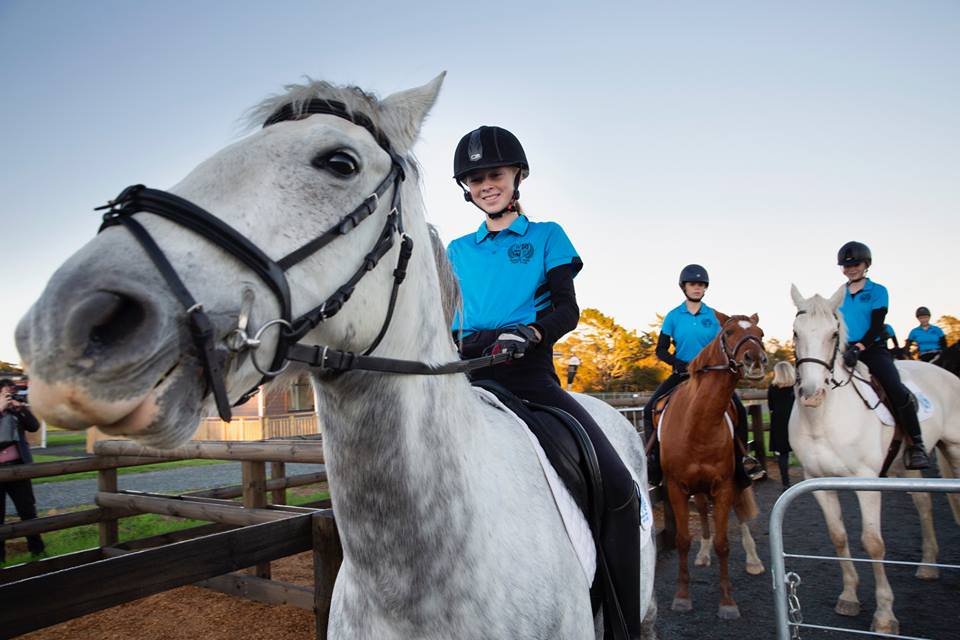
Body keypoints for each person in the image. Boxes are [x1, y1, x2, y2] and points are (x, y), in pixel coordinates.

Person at [446, 125, 642, 639]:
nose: (486, 184)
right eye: (475, 178)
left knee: (619, 489)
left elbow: (567, 308)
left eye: (494, 174)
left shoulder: (547, 236)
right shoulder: (456, 250)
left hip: (529, 374)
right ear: (466, 188)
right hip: (466, 375)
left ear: (517, 177)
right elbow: (444, 317)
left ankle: (621, 627)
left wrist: (530, 332)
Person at [642, 264, 757, 487]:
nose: (697, 288)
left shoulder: (714, 317)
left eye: (701, 285)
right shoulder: (673, 316)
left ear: (705, 289)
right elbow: (661, 350)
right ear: (683, 287)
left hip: (711, 376)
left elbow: (724, 346)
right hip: (682, 373)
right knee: (650, 409)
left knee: (739, 410)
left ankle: (741, 463)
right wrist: (678, 364)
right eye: (693, 284)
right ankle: (654, 463)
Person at [836, 241, 930, 469]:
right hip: (845, 350)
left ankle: (916, 444)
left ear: (866, 264)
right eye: (846, 266)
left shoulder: (878, 291)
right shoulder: (839, 294)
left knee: (895, 388)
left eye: (855, 264)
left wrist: (859, 348)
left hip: (872, 350)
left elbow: (878, 325)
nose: (851, 269)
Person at [0, 379, 46, 563]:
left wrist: (21, 409)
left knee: (28, 511)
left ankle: (38, 551)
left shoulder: (15, 411)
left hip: (18, 469)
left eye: (11, 393)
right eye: (6, 393)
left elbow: (34, 426)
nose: (9, 397)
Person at [767, 362, 796, 489]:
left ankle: (786, 483)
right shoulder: (795, 387)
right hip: (795, 419)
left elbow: (771, 406)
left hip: (779, 421)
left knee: (783, 454)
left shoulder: (772, 387)